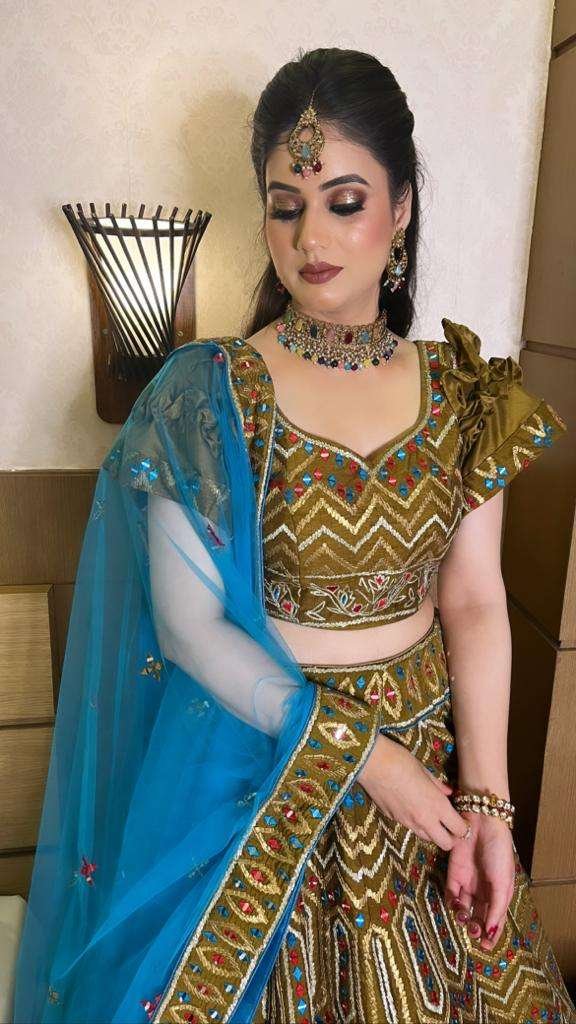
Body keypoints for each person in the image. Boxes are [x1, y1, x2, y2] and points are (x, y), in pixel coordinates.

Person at [13, 46, 575, 1024]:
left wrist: (487, 804)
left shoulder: (461, 393)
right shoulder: (208, 393)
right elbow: (190, 628)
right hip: (256, 761)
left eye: (344, 202)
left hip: (428, 769)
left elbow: (476, 600)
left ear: (401, 208)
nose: (310, 235)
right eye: (286, 206)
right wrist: (363, 756)